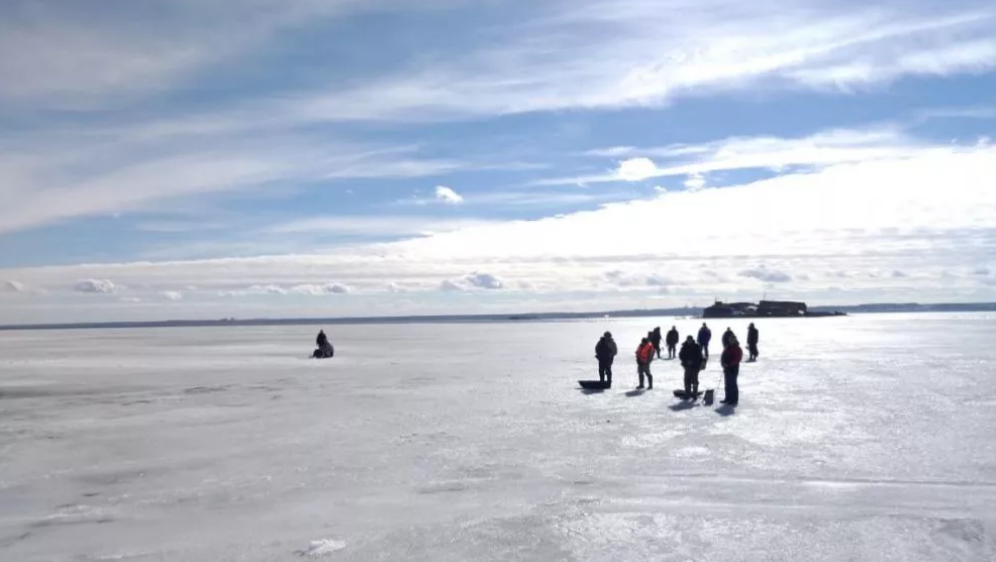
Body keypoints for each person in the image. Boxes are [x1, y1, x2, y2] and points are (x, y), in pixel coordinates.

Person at [720, 334, 743, 405]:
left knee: (732, 384)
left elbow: (737, 359)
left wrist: (729, 364)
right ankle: (728, 398)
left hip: (733, 369)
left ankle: (734, 399)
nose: (731, 341)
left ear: (735, 340)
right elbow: (723, 356)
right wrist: (723, 363)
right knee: (727, 384)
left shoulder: (737, 348)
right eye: (730, 340)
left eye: (732, 340)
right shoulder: (727, 348)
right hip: (726, 368)